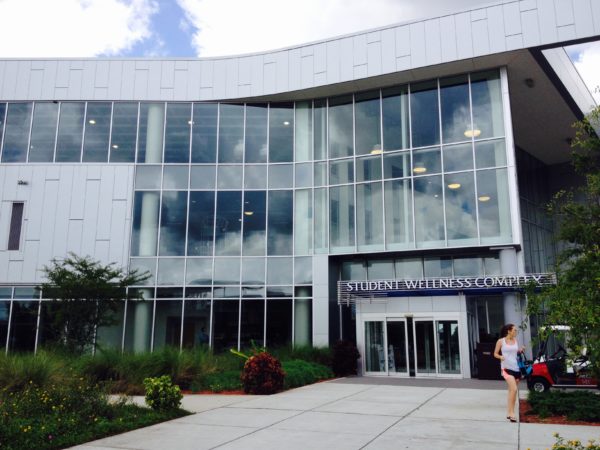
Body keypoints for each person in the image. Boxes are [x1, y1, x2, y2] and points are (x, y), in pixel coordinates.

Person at [494, 323, 525, 422]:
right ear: (509, 331)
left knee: (512, 391)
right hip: (506, 369)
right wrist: (500, 357)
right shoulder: (501, 341)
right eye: (515, 330)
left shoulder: (515, 340)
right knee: (514, 389)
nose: (516, 332)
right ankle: (512, 413)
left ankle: (509, 412)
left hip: (516, 369)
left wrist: (520, 350)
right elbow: (495, 353)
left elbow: (514, 353)